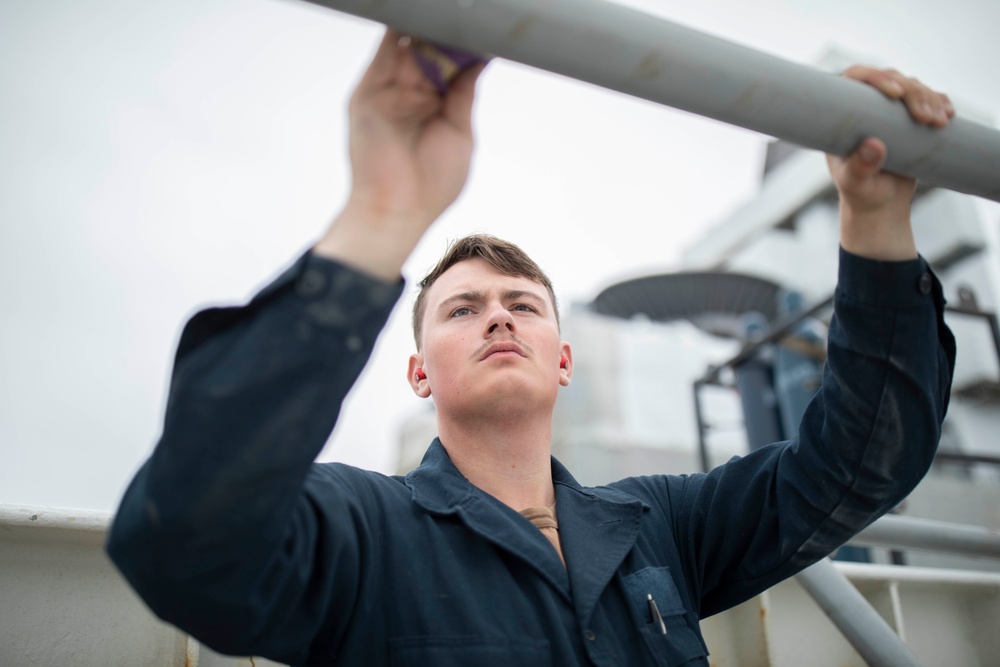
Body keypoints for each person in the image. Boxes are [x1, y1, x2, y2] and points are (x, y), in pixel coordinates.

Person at [107, 29, 956, 667]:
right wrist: (383, 213)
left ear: (563, 358)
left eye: (522, 304)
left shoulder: (662, 525)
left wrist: (876, 219)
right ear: (417, 371)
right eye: (463, 308)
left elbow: (860, 463)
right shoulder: (363, 533)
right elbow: (182, 544)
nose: (499, 317)